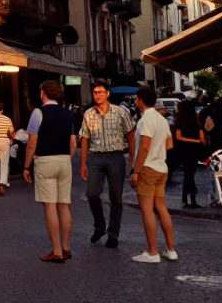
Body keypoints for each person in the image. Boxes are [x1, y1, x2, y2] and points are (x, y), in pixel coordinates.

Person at [23, 80, 76, 263]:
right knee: (64, 205)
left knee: (50, 205)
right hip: (64, 160)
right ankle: (66, 246)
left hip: (45, 160)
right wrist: (67, 158)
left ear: (43, 92)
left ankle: (56, 250)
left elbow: (31, 142)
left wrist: (26, 165)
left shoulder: (38, 113)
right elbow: (73, 143)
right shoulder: (68, 113)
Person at [78, 80, 136, 249]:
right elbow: (85, 139)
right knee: (92, 193)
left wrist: (132, 156)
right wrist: (83, 163)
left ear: (107, 93)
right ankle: (99, 226)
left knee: (115, 197)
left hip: (115, 156)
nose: (98, 95)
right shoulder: (88, 114)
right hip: (95, 158)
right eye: (95, 93)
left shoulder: (120, 112)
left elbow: (131, 134)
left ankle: (113, 234)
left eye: (101, 92)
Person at [130, 86, 177, 264]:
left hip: (147, 168)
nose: (135, 102)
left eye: (136, 99)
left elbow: (143, 147)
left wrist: (136, 172)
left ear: (141, 100)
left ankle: (152, 251)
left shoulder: (145, 120)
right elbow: (169, 145)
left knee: (147, 209)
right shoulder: (162, 119)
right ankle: (171, 249)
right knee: (161, 207)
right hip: (161, 167)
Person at [173, 99, 207, 209]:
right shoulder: (196, 121)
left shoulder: (179, 121)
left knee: (188, 174)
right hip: (194, 151)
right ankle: (191, 198)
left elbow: (178, 137)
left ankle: (186, 198)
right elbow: (202, 137)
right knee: (190, 174)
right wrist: (197, 142)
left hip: (183, 150)